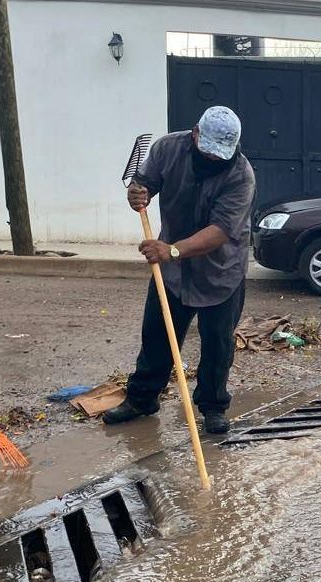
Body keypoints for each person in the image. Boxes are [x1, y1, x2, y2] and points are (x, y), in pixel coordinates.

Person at [103, 106, 256, 435]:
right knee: (156, 337)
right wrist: (137, 195)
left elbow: (220, 230)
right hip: (172, 274)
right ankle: (142, 400)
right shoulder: (167, 149)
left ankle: (213, 407)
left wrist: (172, 250)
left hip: (220, 272)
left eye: (222, 154)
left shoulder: (241, 175)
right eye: (209, 151)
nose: (215, 159)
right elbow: (144, 186)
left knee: (217, 345)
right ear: (195, 133)